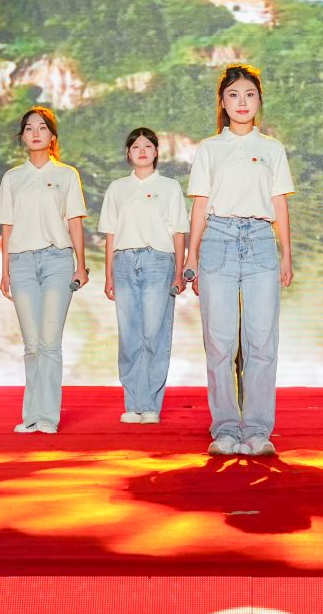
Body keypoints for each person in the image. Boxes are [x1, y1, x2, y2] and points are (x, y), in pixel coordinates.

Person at [185, 64, 293, 458]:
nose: (242, 102)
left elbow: (279, 203)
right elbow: (200, 204)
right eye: (233, 95)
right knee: (220, 342)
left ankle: (258, 430)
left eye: (249, 94)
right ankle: (226, 428)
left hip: (261, 242)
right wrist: (192, 254)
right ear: (222, 102)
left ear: (259, 100)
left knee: (262, 342)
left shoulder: (272, 149)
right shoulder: (209, 148)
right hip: (219, 240)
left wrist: (286, 254)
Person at [0, 106, 88, 434]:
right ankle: (30, 416)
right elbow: (7, 226)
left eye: (42, 127)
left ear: (52, 135)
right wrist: (5, 270)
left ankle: (47, 417)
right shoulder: (12, 178)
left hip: (57, 261)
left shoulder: (66, 175)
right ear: (22, 136)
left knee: (49, 342)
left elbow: (74, 222)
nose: (35, 133)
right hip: (21, 262)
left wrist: (81, 265)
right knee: (32, 344)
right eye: (29, 128)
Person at [100, 126, 188, 424]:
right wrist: (109, 275)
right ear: (128, 153)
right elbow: (110, 233)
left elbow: (179, 232)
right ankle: (133, 402)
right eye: (136, 146)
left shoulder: (169, 187)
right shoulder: (117, 189)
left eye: (147, 146)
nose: (141, 151)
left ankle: (150, 404)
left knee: (154, 332)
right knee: (129, 335)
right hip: (124, 262)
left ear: (156, 152)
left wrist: (179, 272)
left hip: (158, 262)